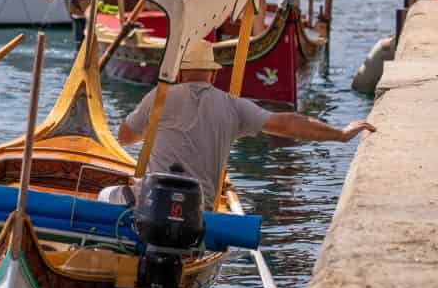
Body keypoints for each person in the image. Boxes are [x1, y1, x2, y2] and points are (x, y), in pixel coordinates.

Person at [105, 39, 375, 208]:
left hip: (152, 201)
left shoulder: (158, 97)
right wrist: (340, 134)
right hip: (200, 207)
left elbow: (125, 137)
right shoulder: (233, 105)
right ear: (212, 74)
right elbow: (288, 124)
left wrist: (153, 129)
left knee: (107, 194)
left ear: (180, 72)